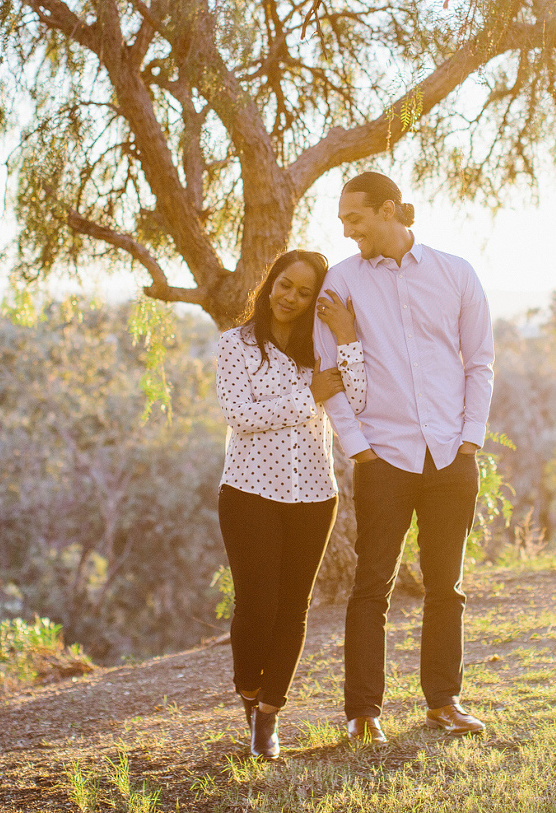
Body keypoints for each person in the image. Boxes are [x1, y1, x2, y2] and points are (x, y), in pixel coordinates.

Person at [313, 171, 495, 745]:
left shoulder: (456, 273)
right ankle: (363, 712)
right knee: (372, 586)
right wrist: (359, 449)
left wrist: (470, 438)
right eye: (342, 221)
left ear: (389, 210)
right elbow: (330, 379)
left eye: (355, 218)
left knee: (447, 586)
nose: (347, 232)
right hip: (383, 458)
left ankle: (444, 703)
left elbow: (479, 362)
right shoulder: (339, 284)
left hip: (450, 456)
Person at [215, 249, 367, 760]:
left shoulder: (319, 348)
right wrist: (311, 397)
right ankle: (249, 694)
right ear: (270, 281)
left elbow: (359, 395)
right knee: (256, 607)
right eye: (286, 285)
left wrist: (345, 336)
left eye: (305, 292)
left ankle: (269, 716)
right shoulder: (234, 345)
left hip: (313, 494)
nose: (292, 298)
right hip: (248, 492)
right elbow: (240, 415)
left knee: (293, 610)